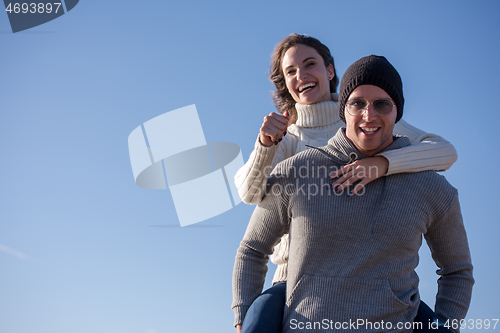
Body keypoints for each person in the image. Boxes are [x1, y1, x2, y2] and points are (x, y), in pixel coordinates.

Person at [233, 34, 458, 333]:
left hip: (375, 279)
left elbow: (444, 151)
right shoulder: (287, 138)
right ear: (284, 83)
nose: (301, 75)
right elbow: (249, 194)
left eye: (309, 64)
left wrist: (382, 164)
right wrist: (265, 144)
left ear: (329, 70)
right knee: (254, 324)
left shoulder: (365, 116)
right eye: (290, 71)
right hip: (296, 280)